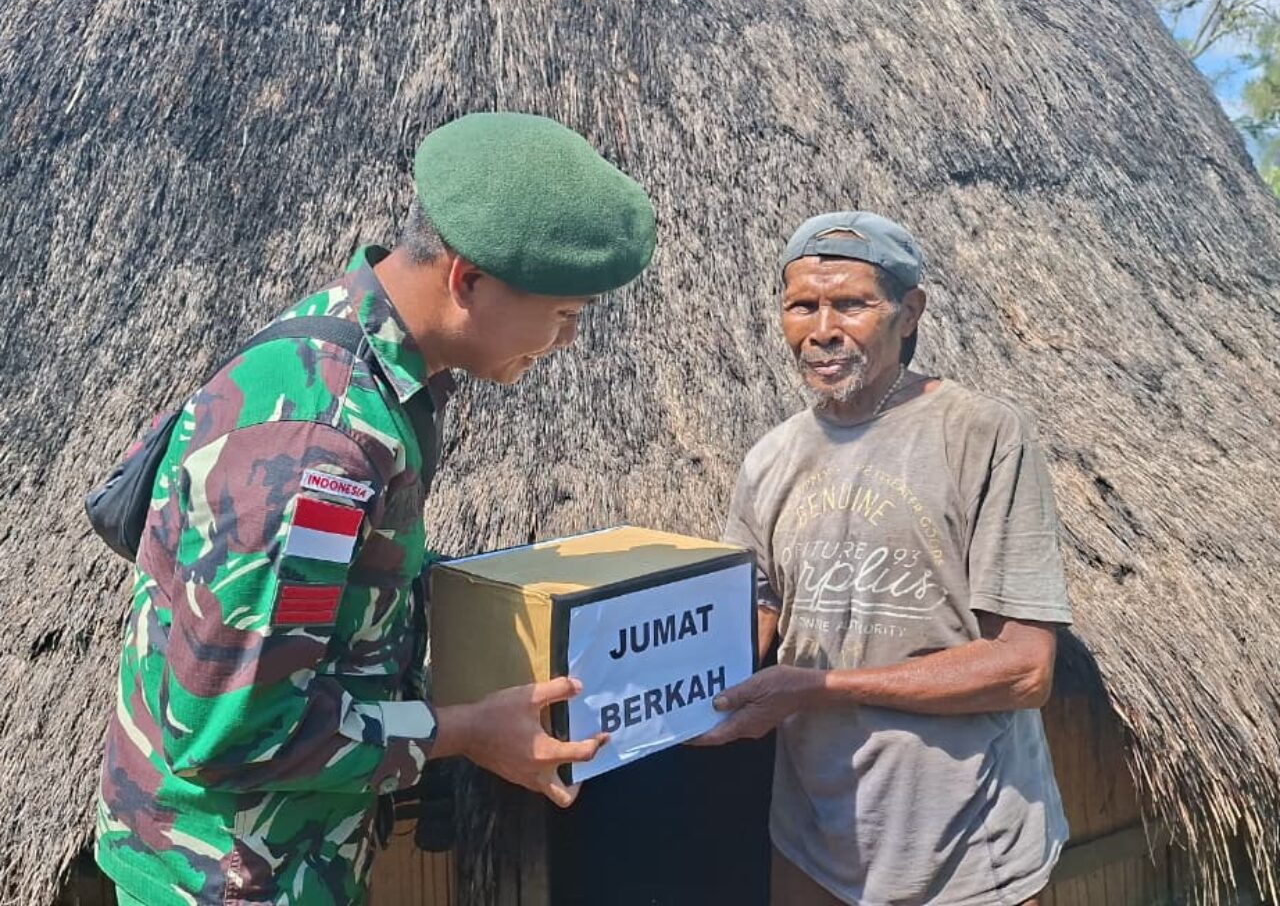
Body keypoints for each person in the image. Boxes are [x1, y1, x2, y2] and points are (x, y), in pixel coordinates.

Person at [94, 112, 656, 906]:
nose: (566, 340)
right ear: (466, 279)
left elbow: (339, 592)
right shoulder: (323, 445)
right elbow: (231, 733)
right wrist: (468, 730)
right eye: (565, 314)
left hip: (280, 850)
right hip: (229, 876)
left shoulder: (364, 347)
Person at [695, 211, 1072, 906]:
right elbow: (757, 608)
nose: (822, 329)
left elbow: (1024, 669)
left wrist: (821, 688)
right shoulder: (771, 457)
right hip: (814, 838)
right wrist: (662, 696)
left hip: (968, 848)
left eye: (851, 304)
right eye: (801, 306)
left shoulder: (981, 433)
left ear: (909, 312)